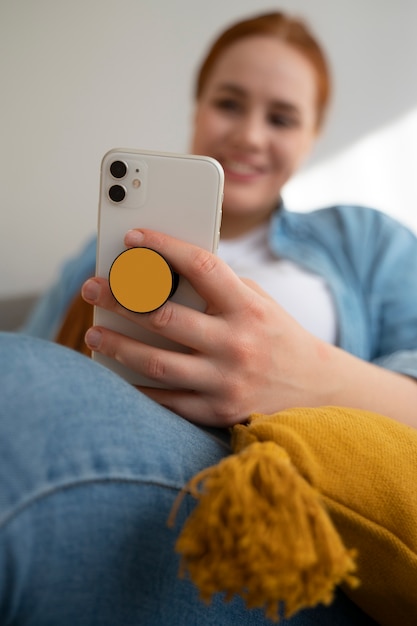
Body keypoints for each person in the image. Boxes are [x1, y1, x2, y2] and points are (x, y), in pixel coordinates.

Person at [1, 10, 416, 625]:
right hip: (104, 442)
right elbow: (31, 366)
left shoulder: (365, 242)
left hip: (269, 507)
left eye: (281, 117)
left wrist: (306, 376)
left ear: (313, 136)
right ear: (197, 108)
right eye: (228, 103)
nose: (250, 134)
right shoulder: (105, 253)